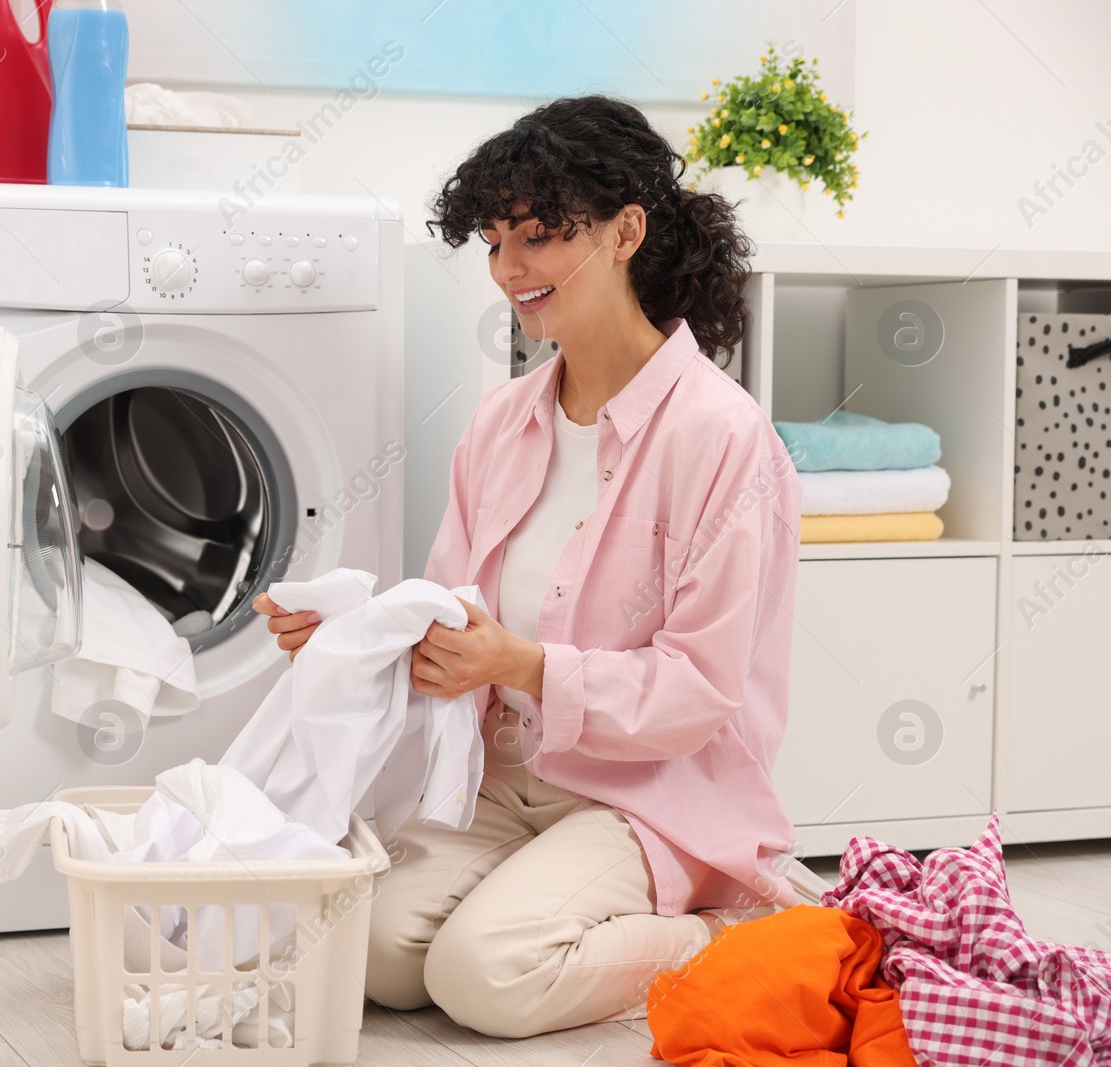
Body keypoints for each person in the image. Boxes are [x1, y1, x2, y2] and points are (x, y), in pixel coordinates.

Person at [253, 95, 802, 1037]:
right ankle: (545, 899)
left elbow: (702, 687)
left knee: (487, 976)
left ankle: (732, 928)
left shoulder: (722, 437)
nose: (511, 271)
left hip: (653, 793)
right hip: (509, 773)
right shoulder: (503, 423)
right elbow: (457, 625)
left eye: (540, 237)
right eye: (497, 242)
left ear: (627, 230)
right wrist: (352, 643)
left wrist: (526, 665)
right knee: (373, 953)